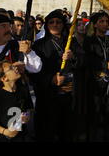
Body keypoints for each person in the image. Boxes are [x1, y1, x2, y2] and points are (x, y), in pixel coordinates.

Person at [31, 9, 76, 141]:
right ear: (47, 25)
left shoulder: (71, 42)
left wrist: (73, 57)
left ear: (63, 25)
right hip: (48, 96)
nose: (55, 25)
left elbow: (84, 61)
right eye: (51, 22)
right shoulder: (39, 45)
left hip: (68, 94)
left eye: (58, 22)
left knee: (66, 130)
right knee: (47, 131)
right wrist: (51, 79)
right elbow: (33, 72)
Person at [84, 11, 109, 142]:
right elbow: (88, 60)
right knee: (94, 114)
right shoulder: (89, 41)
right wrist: (105, 65)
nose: (105, 24)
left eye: (106, 21)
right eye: (101, 21)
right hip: (95, 83)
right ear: (94, 24)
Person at [0, 61, 33, 142]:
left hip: (23, 136)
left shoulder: (23, 89)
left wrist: (26, 116)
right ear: (4, 78)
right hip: (3, 138)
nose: (15, 68)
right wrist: (6, 132)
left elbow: (28, 108)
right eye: (11, 68)